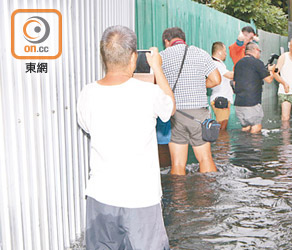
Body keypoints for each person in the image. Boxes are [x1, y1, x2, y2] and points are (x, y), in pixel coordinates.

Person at [77, 25, 174, 249]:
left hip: (101, 197)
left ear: (104, 56)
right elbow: (169, 108)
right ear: (133, 57)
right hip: (141, 198)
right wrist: (157, 68)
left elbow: (87, 126)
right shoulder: (148, 93)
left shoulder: (87, 93)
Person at [160, 27, 221, 175]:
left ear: (167, 42)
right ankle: (207, 196)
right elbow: (216, 80)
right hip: (198, 115)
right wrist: (199, 84)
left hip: (175, 114)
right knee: (205, 159)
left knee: (178, 164)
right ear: (183, 39)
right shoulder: (200, 53)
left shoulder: (161, 57)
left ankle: (178, 197)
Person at [233, 42, 275, 133]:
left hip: (239, 103)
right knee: (256, 127)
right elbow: (269, 80)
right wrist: (271, 71)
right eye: (259, 51)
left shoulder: (238, 64)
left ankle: (244, 147)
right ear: (256, 50)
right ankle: (254, 146)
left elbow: (234, 82)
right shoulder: (257, 63)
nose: (259, 53)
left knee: (245, 128)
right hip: (252, 103)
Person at [210, 41, 234, 130]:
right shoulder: (215, 64)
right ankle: (221, 143)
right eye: (225, 51)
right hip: (220, 98)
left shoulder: (219, 64)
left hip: (222, 98)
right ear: (219, 52)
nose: (226, 54)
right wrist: (244, 71)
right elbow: (230, 75)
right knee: (222, 127)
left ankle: (222, 143)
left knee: (223, 126)